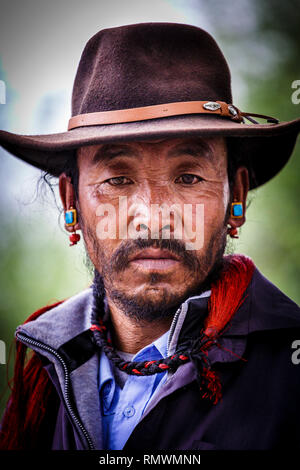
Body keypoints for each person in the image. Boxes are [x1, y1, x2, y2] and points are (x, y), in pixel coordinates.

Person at [0, 22, 300, 451]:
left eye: (189, 176)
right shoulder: (41, 381)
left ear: (238, 194)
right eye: (118, 179)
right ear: (71, 202)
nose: (154, 216)